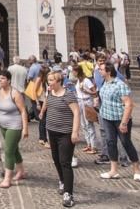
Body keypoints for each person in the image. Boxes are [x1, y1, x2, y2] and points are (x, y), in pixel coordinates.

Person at [39, 71, 80, 208]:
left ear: (58, 81)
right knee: (56, 159)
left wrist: (75, 132)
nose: (49, 82)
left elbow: (76, 112)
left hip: (66, 134)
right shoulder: (50, 93)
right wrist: (42, 111)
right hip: (52, 132)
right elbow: (47, 103)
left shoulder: (68, 95)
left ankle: (69, 194)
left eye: (51, 80)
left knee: (65, 162)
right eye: (48, 80)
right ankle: (62, 181)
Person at [97, 61, 140, 182]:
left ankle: (137, 170)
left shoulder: (120, 85)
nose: (99, 71)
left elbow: (129, 104)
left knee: (126, 142)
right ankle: (113, 171)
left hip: (120, 119)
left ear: (108, 71)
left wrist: (124, 122)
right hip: (107, 118)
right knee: (110, 142)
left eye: (101, 69)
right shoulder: (105, 82)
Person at [0, 70, 29, 188]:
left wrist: (25, 129)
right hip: (3, 125)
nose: (0, 80)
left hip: (15, 126)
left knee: (8, 150)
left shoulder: (15, 93)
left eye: (2, 78)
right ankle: (21, 171)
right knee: (14, 149)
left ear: (9, 80)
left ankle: (8, 178)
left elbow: (23, 111)